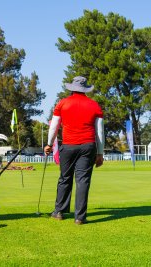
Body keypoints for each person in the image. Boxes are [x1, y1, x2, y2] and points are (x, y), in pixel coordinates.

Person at [44, 76, 104, 225]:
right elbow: (100, 131)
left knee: (65, 178)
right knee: (83, 181)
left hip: (68, 146)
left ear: (71, 88)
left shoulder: (62, 103)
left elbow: (54, 126)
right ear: (85, 89)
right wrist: (100, 153)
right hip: (87, 146)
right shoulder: (94, 105)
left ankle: (59, 212)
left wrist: (49, 144)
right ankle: (79, 217)